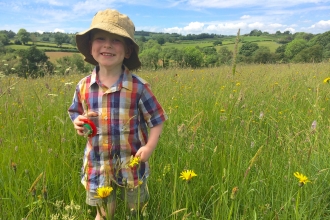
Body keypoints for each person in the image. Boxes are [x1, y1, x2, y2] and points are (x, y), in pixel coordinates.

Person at [68, 8, 168, 219]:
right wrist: (78, 122)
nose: (107, 45)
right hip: (98, 164)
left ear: (128, 50)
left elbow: (157, 120)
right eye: (101, 38)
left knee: (136, 211)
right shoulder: (83, 86)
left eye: (116, 40)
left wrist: (149, 147)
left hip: (131, 164)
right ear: (90, 46)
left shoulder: (138, 87)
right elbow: (75, 113)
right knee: (103, 214)